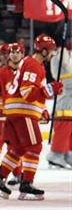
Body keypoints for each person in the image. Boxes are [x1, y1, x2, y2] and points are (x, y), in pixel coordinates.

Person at [0, 34, 63, 200]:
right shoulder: (34, 65)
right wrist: (51, 89)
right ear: (43, 50)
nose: (52, 54)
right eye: (50, 51)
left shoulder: (29, 64)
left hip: (17, 112)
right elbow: (27, 93)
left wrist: (41, 109)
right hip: (23, 112)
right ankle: (26, 183)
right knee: (35, 146)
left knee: (20, 148)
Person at [0, 43, 23, 184]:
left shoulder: (25, 72)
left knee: (14, 146)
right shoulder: (0, 73)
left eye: (17, 52)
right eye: (11, 52)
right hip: (2, 113)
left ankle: (18, 173)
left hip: (17, 115)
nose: (2, 56)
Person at [46, 39, 72, 169]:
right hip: (65, 101)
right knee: (64, 127)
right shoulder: (61, 55)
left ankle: (67, 153)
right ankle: (56, 154)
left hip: (69, 101)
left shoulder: (66, 55)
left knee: (69, 129)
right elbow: (67, 72)